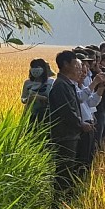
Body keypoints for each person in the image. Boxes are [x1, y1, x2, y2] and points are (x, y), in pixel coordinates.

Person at [49, 50, 93, 196]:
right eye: (75, 64)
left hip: (71, 134)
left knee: (69, 168)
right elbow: (67, 112)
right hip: (65, 135)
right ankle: (59, 202)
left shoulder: (67, 84)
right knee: (64, 169)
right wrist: (81, 124)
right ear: (66, 64)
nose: (78, 68)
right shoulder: (61, 85)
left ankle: (65, 198)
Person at [20, 58, 54, 124]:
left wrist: (41, 98)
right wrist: (28, 99)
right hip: (30, 114)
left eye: (38, 67)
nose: (35, 69)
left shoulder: (51, 82)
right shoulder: (27, 83)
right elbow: (23, 99)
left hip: (46, 115)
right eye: (33, 67)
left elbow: (54, 100)